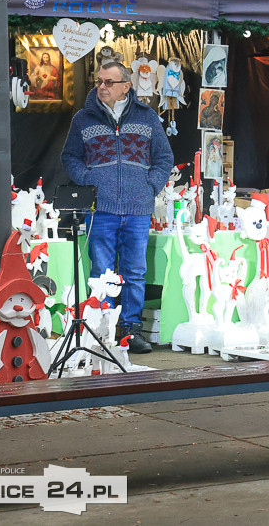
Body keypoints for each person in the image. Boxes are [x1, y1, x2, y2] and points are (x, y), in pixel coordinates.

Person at [61, 60, 173, 354]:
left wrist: (149, 186)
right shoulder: (83, 119)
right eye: (99, 81)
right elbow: (70, 157)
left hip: (138, 208)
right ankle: (102, 330)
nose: (102, 87)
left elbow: (164, 158)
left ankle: (129, 332)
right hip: (100, 210)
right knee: (102, 273)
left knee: (136, 272)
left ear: (126, 86)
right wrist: (89, 180)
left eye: (109, 82)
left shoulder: (148, 118)